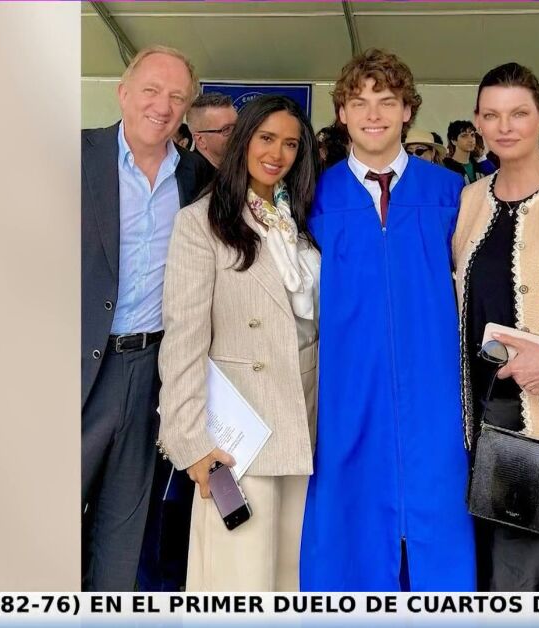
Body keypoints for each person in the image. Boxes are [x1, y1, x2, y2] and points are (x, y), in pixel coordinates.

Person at [302, 48, 476, 592]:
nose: (373, 113)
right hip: (346, 388)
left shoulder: (451, 193)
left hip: (435, 387)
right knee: (346, 519)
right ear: (342, 114)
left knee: (440, 513)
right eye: (359, 102)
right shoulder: (315, 196)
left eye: (387, 100)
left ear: (407, 110)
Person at [157, 95, 321, 591]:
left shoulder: (301, 219)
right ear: (243, 140)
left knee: (290, 574)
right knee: (238, 578)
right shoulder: (200, 222)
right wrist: (190, 442)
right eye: (266, 138)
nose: (277, 154)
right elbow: (183, 340)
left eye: (290, 143)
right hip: (238, 429)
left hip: (305, 415)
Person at [80, 45, 214, 592]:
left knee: (125, 524)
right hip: (72, 364)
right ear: (123, 93)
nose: (162, 106)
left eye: (177, 97)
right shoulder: (72, 156)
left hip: (151, 369)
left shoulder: (198, 178)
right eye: (151, 91)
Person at [451, 62, 539, 592]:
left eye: (519, 113)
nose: (505, 127)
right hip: (484, 431)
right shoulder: (468, 202)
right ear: (478, 122)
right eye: (492, 115)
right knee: (495, 580)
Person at [187, 92, 238, 168]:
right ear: (200, 140)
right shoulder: (190, 173)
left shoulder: (239, 167)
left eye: (238, 125)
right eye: (226, 129)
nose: (237, 133)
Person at [443, 120, 485, 184]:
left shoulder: (477, 165)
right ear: (454, 141)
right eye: (464, 136)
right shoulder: (446, 168)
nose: (471, 140)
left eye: (472, 135)